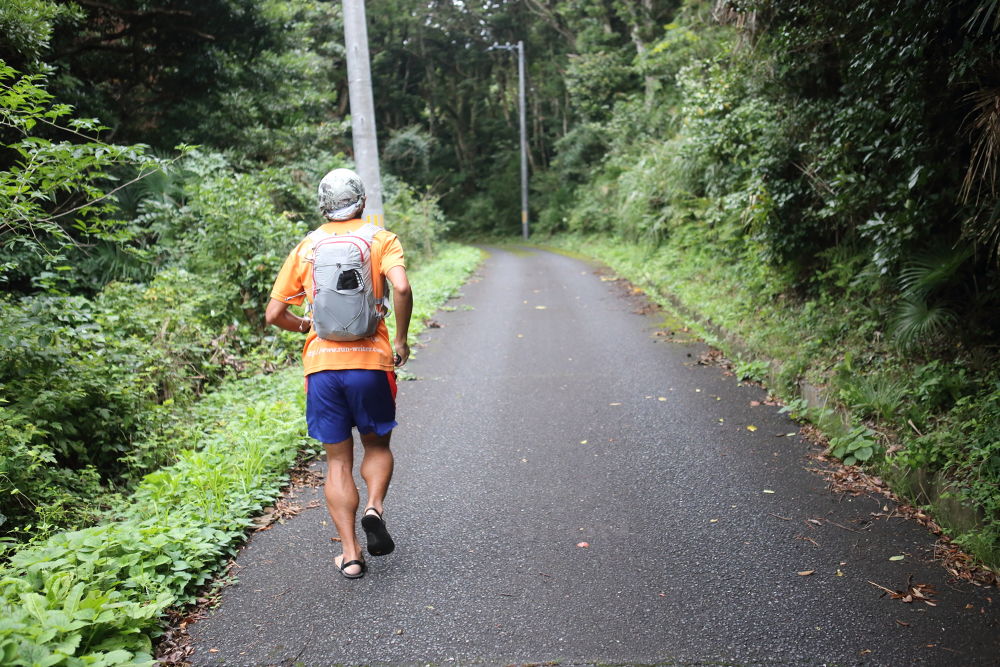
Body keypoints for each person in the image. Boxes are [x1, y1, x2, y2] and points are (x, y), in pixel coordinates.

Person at [265, 168, 412, 580]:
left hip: (323, 369)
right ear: (362, 202)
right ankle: (373, 508)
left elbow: (274, 314)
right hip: (371, 365)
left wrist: (307, 327)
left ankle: (350, 556)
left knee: (336, 463)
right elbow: (400, 288)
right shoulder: (381, 239)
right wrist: (400, 340)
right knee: (377, 445)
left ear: (323, 205)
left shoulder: (308, 246)